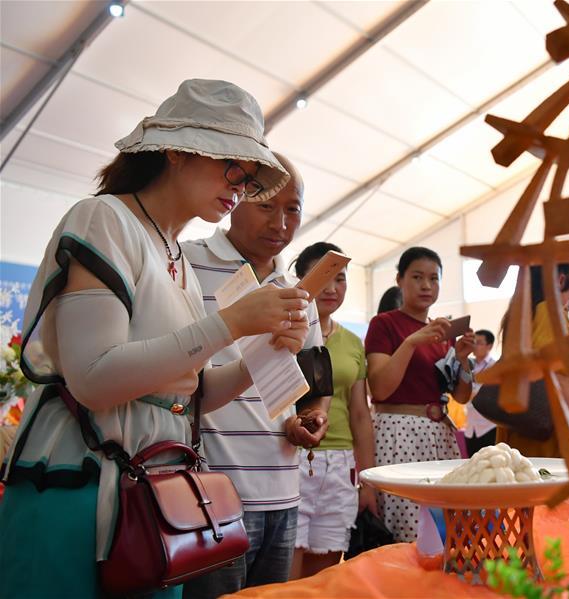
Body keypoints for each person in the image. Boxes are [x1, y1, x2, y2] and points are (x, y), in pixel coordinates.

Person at [0, 79, 325, 598]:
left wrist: (259, 350)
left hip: (155, 498)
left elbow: (191, 395)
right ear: (177, 151)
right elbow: (94, 378)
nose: (240, 184)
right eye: (231, 165)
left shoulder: (175, 256)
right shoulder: (104, 219)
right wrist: (234, 323)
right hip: (81, 487)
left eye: (248, 174)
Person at [182, 153, 330, 598]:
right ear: (236, 198)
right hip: (210, 496)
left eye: (293, 208)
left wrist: (313, 418)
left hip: (284, 491)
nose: (281, 222)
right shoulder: (187, 262)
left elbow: (315, 380)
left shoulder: (297, 290)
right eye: (267, 205)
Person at [365, 247, 475, 541]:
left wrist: (463, 360)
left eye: (433, 279)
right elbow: (380, 388)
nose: (426, 286)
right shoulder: (384, 324)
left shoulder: (442, 333)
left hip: (439, 433)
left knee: (447, 529)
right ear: (400, 280)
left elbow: (461, 397)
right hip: (398, 432)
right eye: (417, 277)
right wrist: (412, 342)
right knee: (407, 530)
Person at [290, 242, 376, 578]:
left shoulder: (353, 343)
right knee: (288, 577)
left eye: (340, 279)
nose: (331, 288)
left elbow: (360, 414)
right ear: (300, 279)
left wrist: (368, 482)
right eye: (321, 277)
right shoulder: (286, 331)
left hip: (341, 468)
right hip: (291, 457)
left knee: (326, 578)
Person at [495, 263, 569, 458]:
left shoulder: (520, 313)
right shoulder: (551, 313)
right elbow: (558, 377)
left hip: (519, 424)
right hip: (546, 429)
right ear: (561, 280)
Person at [463, 329, 497, 456]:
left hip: (489, 426)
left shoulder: (495, 366)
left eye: (479, 342)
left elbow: (487, 395)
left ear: (489, 346)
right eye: (473, 342)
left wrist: (468, 392)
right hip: (471, 427)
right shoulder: (467, 365)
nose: (474, 346)